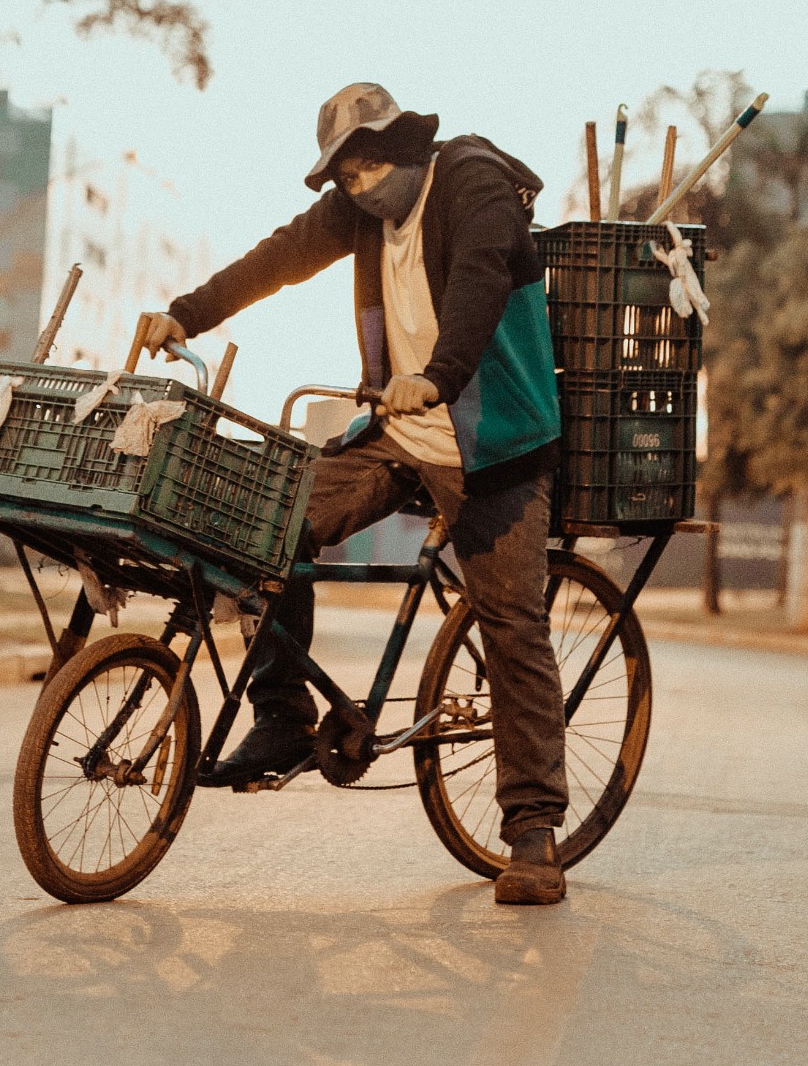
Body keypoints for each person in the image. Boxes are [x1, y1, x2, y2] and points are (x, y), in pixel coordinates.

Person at [140, 82, 569, 904]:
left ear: (409, 142)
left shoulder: (473, 183)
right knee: (263, 525)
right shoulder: (358, 209)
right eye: (348, 173)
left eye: (373, 163)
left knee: (512, 625)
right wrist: (186, 315)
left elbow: (479, 283)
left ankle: (533, 834)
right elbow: (280, 257)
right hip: (396, 431)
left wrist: (438, 377)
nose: (363, 183)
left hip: (496, 443)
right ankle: (280, 716)